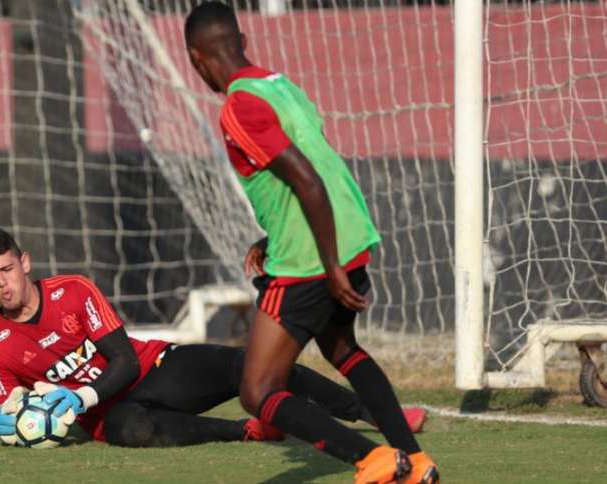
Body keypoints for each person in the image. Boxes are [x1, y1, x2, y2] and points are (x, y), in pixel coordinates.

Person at [184, 3, 438, 483]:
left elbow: (308, 181)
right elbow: (310, 172)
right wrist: (277, 234)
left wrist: (326, 264)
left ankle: (375, 458)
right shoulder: (280, 86)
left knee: (258, 390)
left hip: (309, 260)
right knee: (342, 349)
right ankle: (416, 460)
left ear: (197, 59)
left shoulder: (239, 106)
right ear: (244, 40)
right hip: (350, 237)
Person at [0, 228, 425, 449]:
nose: (2, 283)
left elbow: (125, 362)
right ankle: (246, 431)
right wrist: (11, 422)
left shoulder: (72, 292)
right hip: (112, 414)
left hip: (154, 370)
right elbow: (10, 406)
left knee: (247, 366)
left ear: (25, 263)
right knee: (135, 429)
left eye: (7, 270)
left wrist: (77, 398)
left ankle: (374, 413)